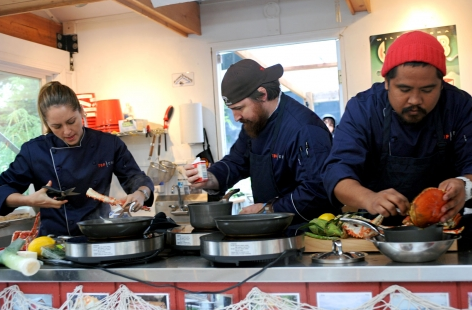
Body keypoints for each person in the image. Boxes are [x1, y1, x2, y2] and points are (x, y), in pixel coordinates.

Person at [322, 30, 472, 227]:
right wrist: (369, 199)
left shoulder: (459, 105)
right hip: (376, 228)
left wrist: (465, 185)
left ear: (441, 84)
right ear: (386, 82)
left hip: (445, 225)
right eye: (404, 89)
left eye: (428, 90)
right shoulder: (363, 109)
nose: (415, 100)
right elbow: (338, 172)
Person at [185, 59, 340, 225]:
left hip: (309, 232)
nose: (236, 117)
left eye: (239, 108)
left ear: (263, 94)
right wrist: (212, 177)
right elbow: (237, 161)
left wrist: (269, 209)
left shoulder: (305, 129)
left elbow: (316, 192)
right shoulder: (256, 123)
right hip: (273, 229)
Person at [0, 81, 154, 236]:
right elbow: (2, 188)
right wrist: (29, 201)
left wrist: (142, 193)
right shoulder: (34, 151)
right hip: (54, 243)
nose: (67, 131)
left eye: (71, 121)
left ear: (81, 111)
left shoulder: (108, 143)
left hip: (101, 236)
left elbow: (135, 177)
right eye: (57, 126)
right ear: (47, 123)